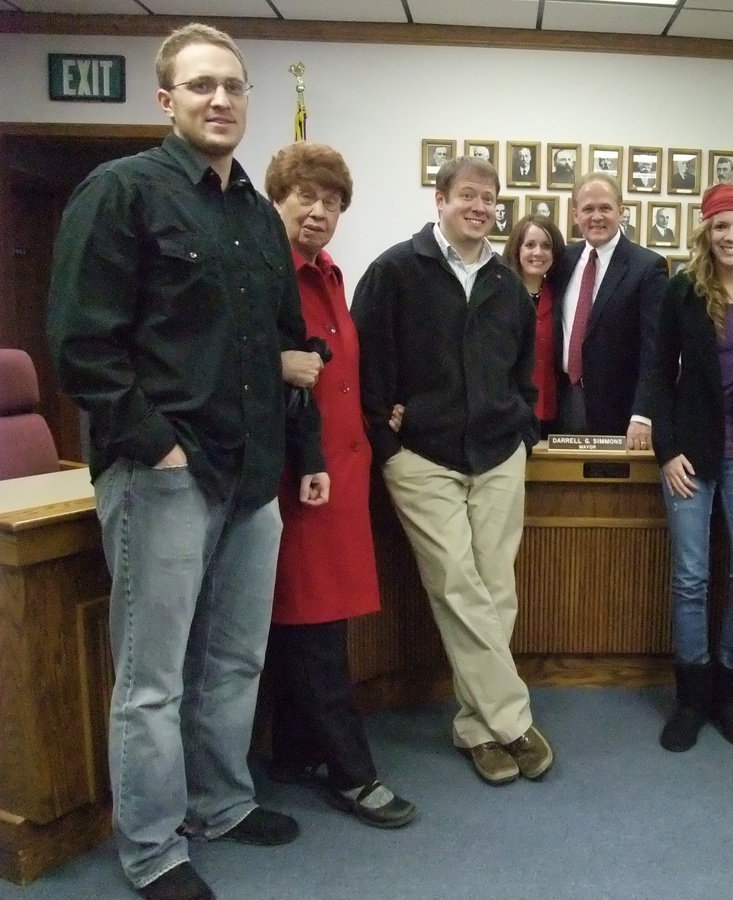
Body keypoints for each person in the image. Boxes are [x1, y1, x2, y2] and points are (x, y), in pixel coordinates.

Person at [45, 23, 328, 900]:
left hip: (250, 477)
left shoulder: (252, 211)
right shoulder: (120, 191)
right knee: (152, 681)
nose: (221, 100)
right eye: (202, 86)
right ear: (166, 100)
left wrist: (294, 441)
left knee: (233, 660)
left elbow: (285, 344)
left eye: (234, 87)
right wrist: (156, 446)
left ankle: (222, 802)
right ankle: (154, 848)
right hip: (163, 473)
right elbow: (82, 347)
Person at [351, 155, 553, 788]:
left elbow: (523, 371)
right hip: (422, 459)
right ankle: (514, 720)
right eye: (467, 195)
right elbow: (365, 369)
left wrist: (521, 428)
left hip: (497, 455)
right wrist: (389, 447)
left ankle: (475, 727)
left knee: (497, 590)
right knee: (458, 585)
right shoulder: (394, 271)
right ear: (438, 199)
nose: (480, 207)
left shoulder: (505, 281)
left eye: (489, 198)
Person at [263, 141, 416, 830]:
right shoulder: (265, 274)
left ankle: (298, 751)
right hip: (298, 480)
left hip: (344, 476)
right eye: (307, 197)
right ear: (278, 199)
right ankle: (354, 774)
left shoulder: (328, 273)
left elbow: (339, 370)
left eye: (332, 201)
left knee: (317, 621)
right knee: (313, 627)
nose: (320, 211)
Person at [647, 183, 733, 752]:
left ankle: (731, 691)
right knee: (691, 579)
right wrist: (666, 449)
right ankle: (691, 696)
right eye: (721, 226)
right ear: (706, 231)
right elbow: (654, 371)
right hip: (690, 456)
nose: (731, 236)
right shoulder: (681, 290)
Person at [550, 171, 668, 444]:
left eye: (605, 208)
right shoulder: (562, 261)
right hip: (564, 403)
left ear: (621, 211)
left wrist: (642, 416)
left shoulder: (648, 267)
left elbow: (655, 350)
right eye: (588, 209)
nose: (597, 217)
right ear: (575, 214)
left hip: (621, 414)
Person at [503, 213, 567, 434]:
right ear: (517, 249)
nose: (538, 253)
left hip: (556, 413)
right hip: (509, 411)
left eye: (546, 246)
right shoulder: (501, 294)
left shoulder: (562, 296)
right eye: (530, 245)